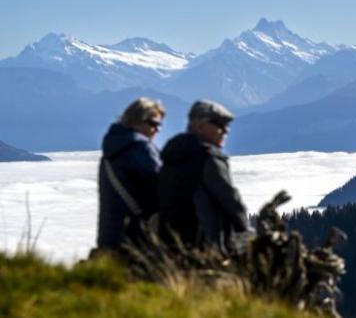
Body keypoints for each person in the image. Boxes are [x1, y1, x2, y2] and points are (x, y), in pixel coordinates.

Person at [158, 99, 249, 255]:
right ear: (199, 125)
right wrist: (244, 227)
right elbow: (229, 198)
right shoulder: (208, 158)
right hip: (206, 244)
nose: (225, 131)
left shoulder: (172, 153)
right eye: (219, 124)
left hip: (170, 242)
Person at [97, 97, 165, 252]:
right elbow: (161, 188)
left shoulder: (112, 149)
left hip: (110, 237)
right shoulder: (140, 148)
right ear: (137, 120)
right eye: (153, 124)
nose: (157, 129)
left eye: (159, 125)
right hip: (138, 238)